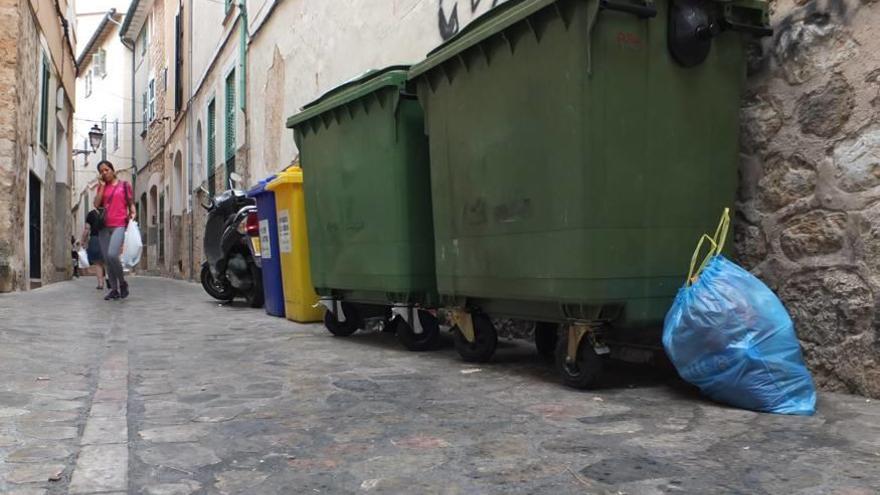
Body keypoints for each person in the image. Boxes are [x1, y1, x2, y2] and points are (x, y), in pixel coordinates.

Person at [94, 160, 136, 300]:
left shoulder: (124, 185)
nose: (104, 173)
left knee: (112, 255)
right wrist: (100, 187)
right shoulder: (102, 187)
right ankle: (114, 289)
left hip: (119, 224)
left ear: (113, 169)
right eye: (101, 172)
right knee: (107, 260)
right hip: (104, 226)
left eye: (106, 170)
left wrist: (133, 212)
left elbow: (130, 203)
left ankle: (122, 283)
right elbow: (96, 204)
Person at [82, 208, 106, 290]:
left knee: (98, 263)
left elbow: (87, 229)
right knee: (109, 261)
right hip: (107, 237)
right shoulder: (109, 211)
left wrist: (83, 240)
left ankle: (100, 283)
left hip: (95, 239)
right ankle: (110, 281)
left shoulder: (91, 214)